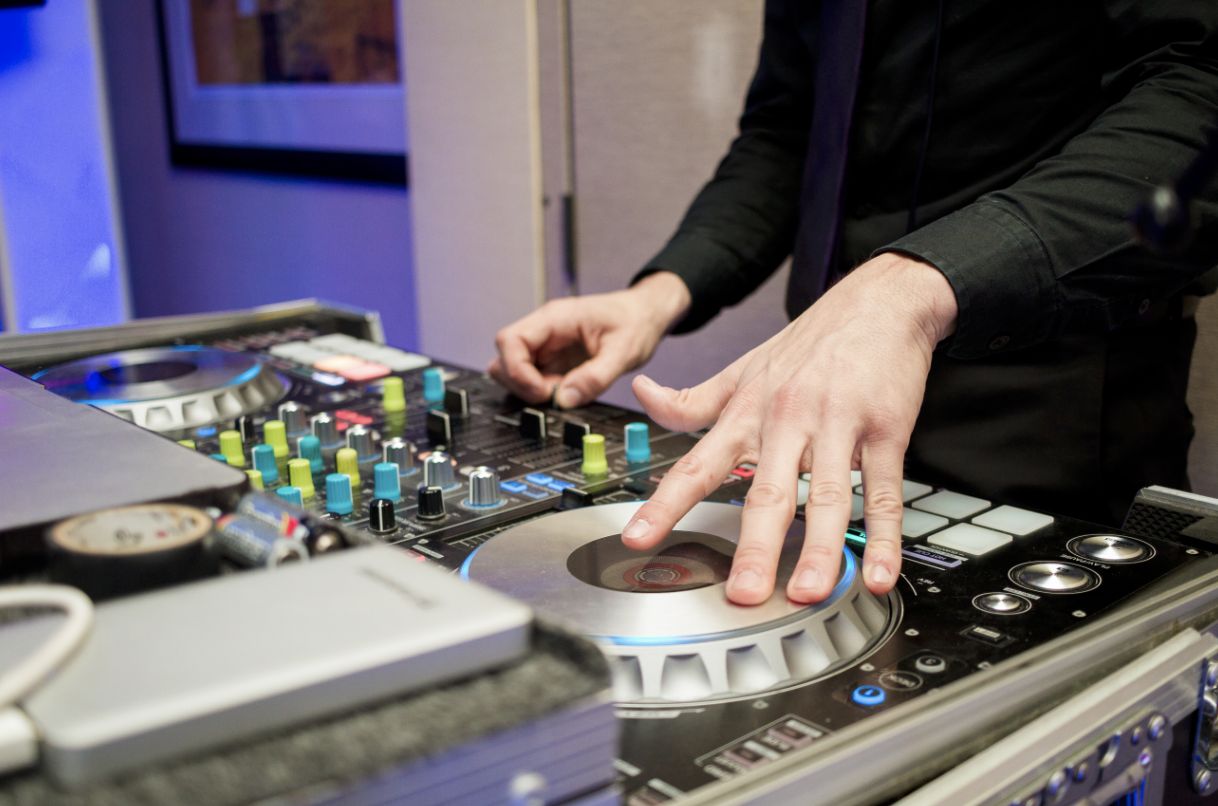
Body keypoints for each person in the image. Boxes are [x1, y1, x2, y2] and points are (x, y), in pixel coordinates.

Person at [490, 1, 1218, 607]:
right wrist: (661, 291)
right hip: (825, 404)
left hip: (1051, 417)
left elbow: (1201, 90)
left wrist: (913, 286)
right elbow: (788, 132)